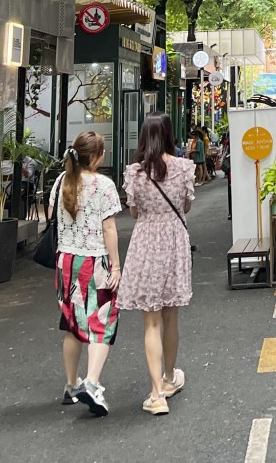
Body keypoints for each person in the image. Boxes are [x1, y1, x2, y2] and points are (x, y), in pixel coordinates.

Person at [117, 113, 195, 416]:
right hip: (174, 240)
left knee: (150, 320)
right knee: (171, 315)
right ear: (168, 135)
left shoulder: (135, 172)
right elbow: (186, 205)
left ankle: (156, 393)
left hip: (146, 240)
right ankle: (169, 377)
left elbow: (134, 212)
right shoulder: (185, 167)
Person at [50, 131, 122, 417]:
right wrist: (116, 265)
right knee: (101, 321)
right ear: (95, 157)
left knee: (72, 323)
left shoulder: (61, 181)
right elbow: (109, 229)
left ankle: (71, 385)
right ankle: (91, 382)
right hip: (93, 263)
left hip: (65, 261)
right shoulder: (104, 185)